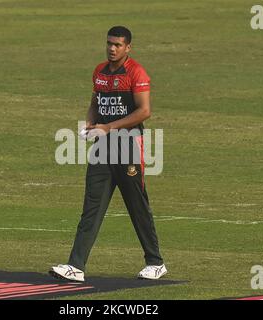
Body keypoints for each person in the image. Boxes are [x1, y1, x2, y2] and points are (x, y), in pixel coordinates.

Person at [50, 26, 166, 282]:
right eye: (109, 44)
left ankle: (155, 262)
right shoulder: (99, 71)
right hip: (102, 147)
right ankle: (76, 266)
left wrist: (109, 127)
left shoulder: (136, 72)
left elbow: (144, 111)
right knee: (92, 206)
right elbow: (95, 102)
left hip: (127, 146)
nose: (112, 49)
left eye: (118, 45)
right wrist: (90, 124)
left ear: (128, 48)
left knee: (137, 205)